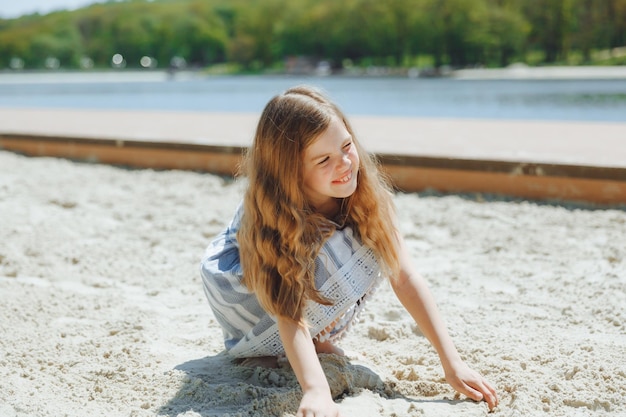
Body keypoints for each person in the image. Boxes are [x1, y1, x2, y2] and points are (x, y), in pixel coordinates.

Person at [200, 85, 498, 416]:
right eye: (324, 159)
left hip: (304, 275)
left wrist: (452, 363)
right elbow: (289, 312)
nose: (344, 164)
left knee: (365, 245)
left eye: (346, 146)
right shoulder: (276, 217)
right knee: (318, 262)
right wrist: (316, 390)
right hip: (246, 290)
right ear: (291, 172)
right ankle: (266, 348)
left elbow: (405, 276)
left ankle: (313, 343)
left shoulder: (365, 196)